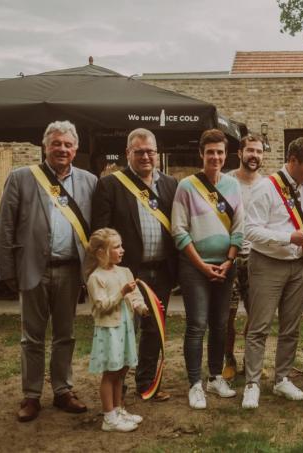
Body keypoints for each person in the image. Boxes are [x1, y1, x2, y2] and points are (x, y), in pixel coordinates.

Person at [0, 120, 97, 422]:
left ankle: (63, 390)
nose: (62, 149)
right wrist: (7, 271)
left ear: (76, 149)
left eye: (67, 144)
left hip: (69, 270)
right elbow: (5, 227)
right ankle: (31, 395)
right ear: (45, 146)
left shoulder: (90, 182)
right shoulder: (21, 178)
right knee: (32, 338)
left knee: (65, 335)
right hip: (32, 269)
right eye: (56, 143)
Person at [91, 128, 178, 402]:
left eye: (150, 151)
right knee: (123, 330)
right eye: (139, 151)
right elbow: (100, 232)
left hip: (161, 269)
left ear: (157, 152)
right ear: (128, 152)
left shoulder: (170, 184)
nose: (145, 156)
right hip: (126, 273)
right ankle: (118, 387)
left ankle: (147, 384)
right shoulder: (110, 185)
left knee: (153, 329)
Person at [242, 137, 303, 409]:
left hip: (297, 264)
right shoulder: (265, 188)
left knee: (291, 326)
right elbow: (251, 230)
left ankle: (283, 379)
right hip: (267, 262)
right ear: (292, 161)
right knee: (259, 327)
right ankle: (252, 384)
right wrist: (287, 237)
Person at [171, 129, 244, 410]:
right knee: (197, 325)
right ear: (201, 154)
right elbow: (178, 230)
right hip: (194, 267)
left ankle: (215, 376)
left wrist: (229, 260)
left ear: (226, 156)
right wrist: (201, 265)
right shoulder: (187, 186)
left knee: (220, 325)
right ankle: (194, 384)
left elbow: (239, 227)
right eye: (210, 152)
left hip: (226, 266)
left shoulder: (233, 185)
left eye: (220, 152)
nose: (215, 157)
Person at [85, 228, 148, 432]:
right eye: (116, 247)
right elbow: (102, 306)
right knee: (111, 373)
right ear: (102, 252)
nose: (122, 250)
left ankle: (119, 408)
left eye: (121, 245)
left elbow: (134, 295)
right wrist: (122, 292)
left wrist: (142, 307)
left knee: (121, 371)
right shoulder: (96, 278)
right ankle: (109, 417)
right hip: (109, 330)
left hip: (125, 328)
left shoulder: (125, 271)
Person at [222, 133, 265, 380]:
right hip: (229, 255)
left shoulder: (267, 184)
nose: (254, 156)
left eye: (259, 152)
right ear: (239, 153)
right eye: (250, 150)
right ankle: (229, 358)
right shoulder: (226, 181)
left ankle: (252, 359)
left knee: (256, 313)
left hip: (257, 256)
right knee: (227, 313)